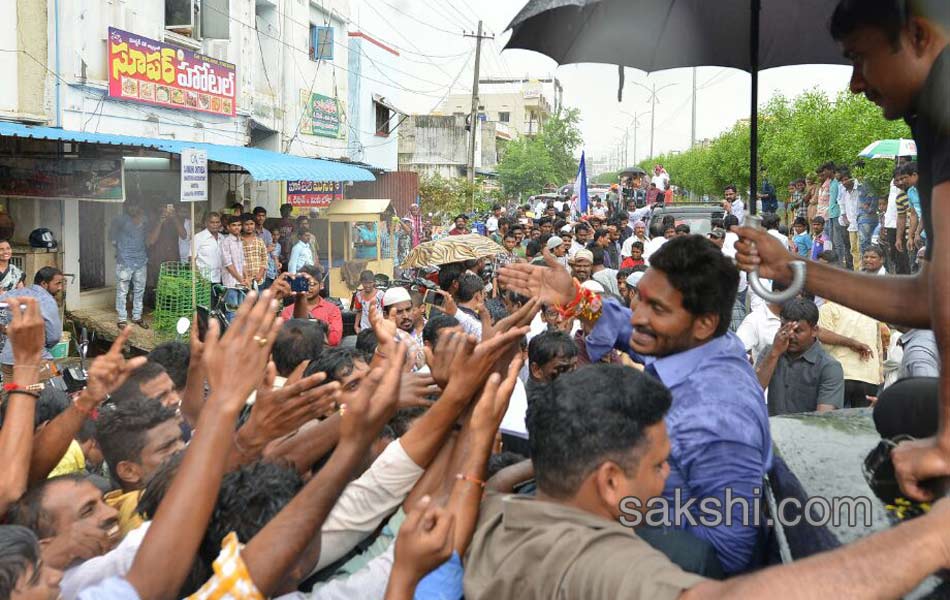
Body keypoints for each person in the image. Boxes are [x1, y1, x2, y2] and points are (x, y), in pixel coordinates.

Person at [734, 0, 950, 505]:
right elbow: (924, 299)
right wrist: (796, 269)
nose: (855, 82)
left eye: (860, 57)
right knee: (899, 410)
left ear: (918, 35)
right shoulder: (929, 111)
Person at [499, 236, 771, 574]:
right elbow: (632, 329)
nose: (637, 317)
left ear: (705, 323)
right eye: (640, 300)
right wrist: (575, 298)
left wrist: (609, 519)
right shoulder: (698, 342)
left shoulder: (717, 416)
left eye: (657, 309)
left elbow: (728, 553)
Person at [754, 299, 845, 416]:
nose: (790, 335)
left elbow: (824, 417)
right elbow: (753, 392)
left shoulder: (829, 367)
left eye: (797, 331)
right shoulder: (770, 352)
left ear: (814, 331)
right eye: (785, 328)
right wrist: (774, 354)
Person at [0, 267, 64, 383]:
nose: (60, 287)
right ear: (44, 283)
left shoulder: (14, 293)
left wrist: (5, 329)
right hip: (37, 361)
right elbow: (54, 336)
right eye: (58, 283)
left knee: (9, 395)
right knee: (56, 383)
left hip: (8, 361)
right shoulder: (47, 300)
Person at [109, 202, 162, 329]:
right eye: (131, 206)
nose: (133, 208)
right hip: (125, 261)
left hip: (141, 260)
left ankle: (137, 317)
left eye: (135, 206)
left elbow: (150, 239)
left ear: (140, 208)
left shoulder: (145, 221)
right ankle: (122, 318)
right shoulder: (120, 220)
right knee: (122, 290)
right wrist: (121, 251)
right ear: (127, 207)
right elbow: (112, 238)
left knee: (139, 290)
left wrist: (160, 220)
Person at [280, 265, 342, 346]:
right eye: (304, 284)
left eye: (312, 284)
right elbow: (284, 340)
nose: (308, 288)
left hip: (323, 355)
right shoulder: (287, 311)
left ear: (321, 285)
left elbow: (334, 340)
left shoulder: (332, 310)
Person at [192, 212, 223, 284]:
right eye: (212, 222)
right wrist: (200, 278)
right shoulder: (198, 237)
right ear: (206, 223)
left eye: (217, 222)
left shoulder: (222, 238)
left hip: (220, 279)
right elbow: (191, 260)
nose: (215, 225)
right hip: (203, 280)